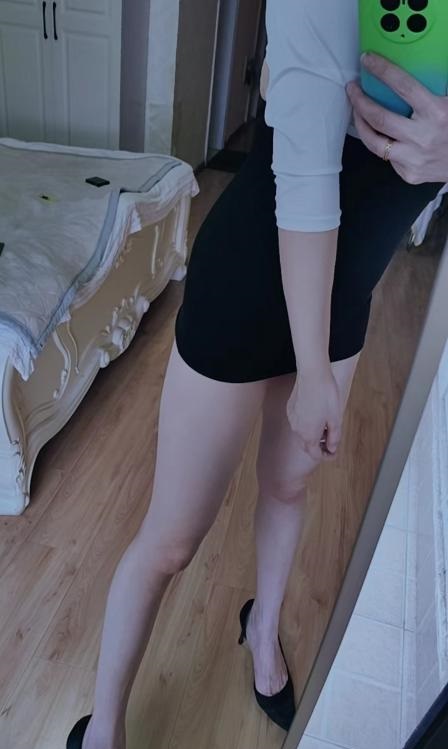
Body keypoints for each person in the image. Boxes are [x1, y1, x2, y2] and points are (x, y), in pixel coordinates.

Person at [67, 2, 448, 747]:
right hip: (247, 284)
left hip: (341, 300)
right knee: (172, 538)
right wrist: (312, 372)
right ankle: (103, 725)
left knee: (288, 485)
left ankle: (263, 630)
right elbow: (306, 180)